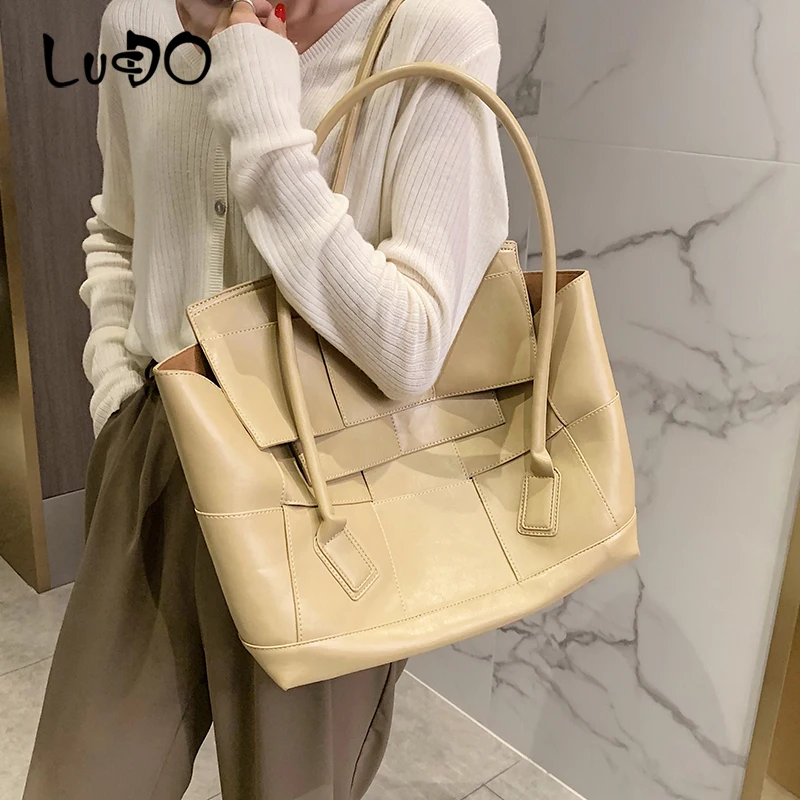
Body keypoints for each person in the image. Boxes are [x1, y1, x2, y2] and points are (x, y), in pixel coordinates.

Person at [22, 0, 509, 797]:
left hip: (329, 494)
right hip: (158, 453)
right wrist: (116, 396)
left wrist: (259, 109)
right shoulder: (136, 21)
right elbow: (119, 232)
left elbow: (412, 345)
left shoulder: (434, 28)